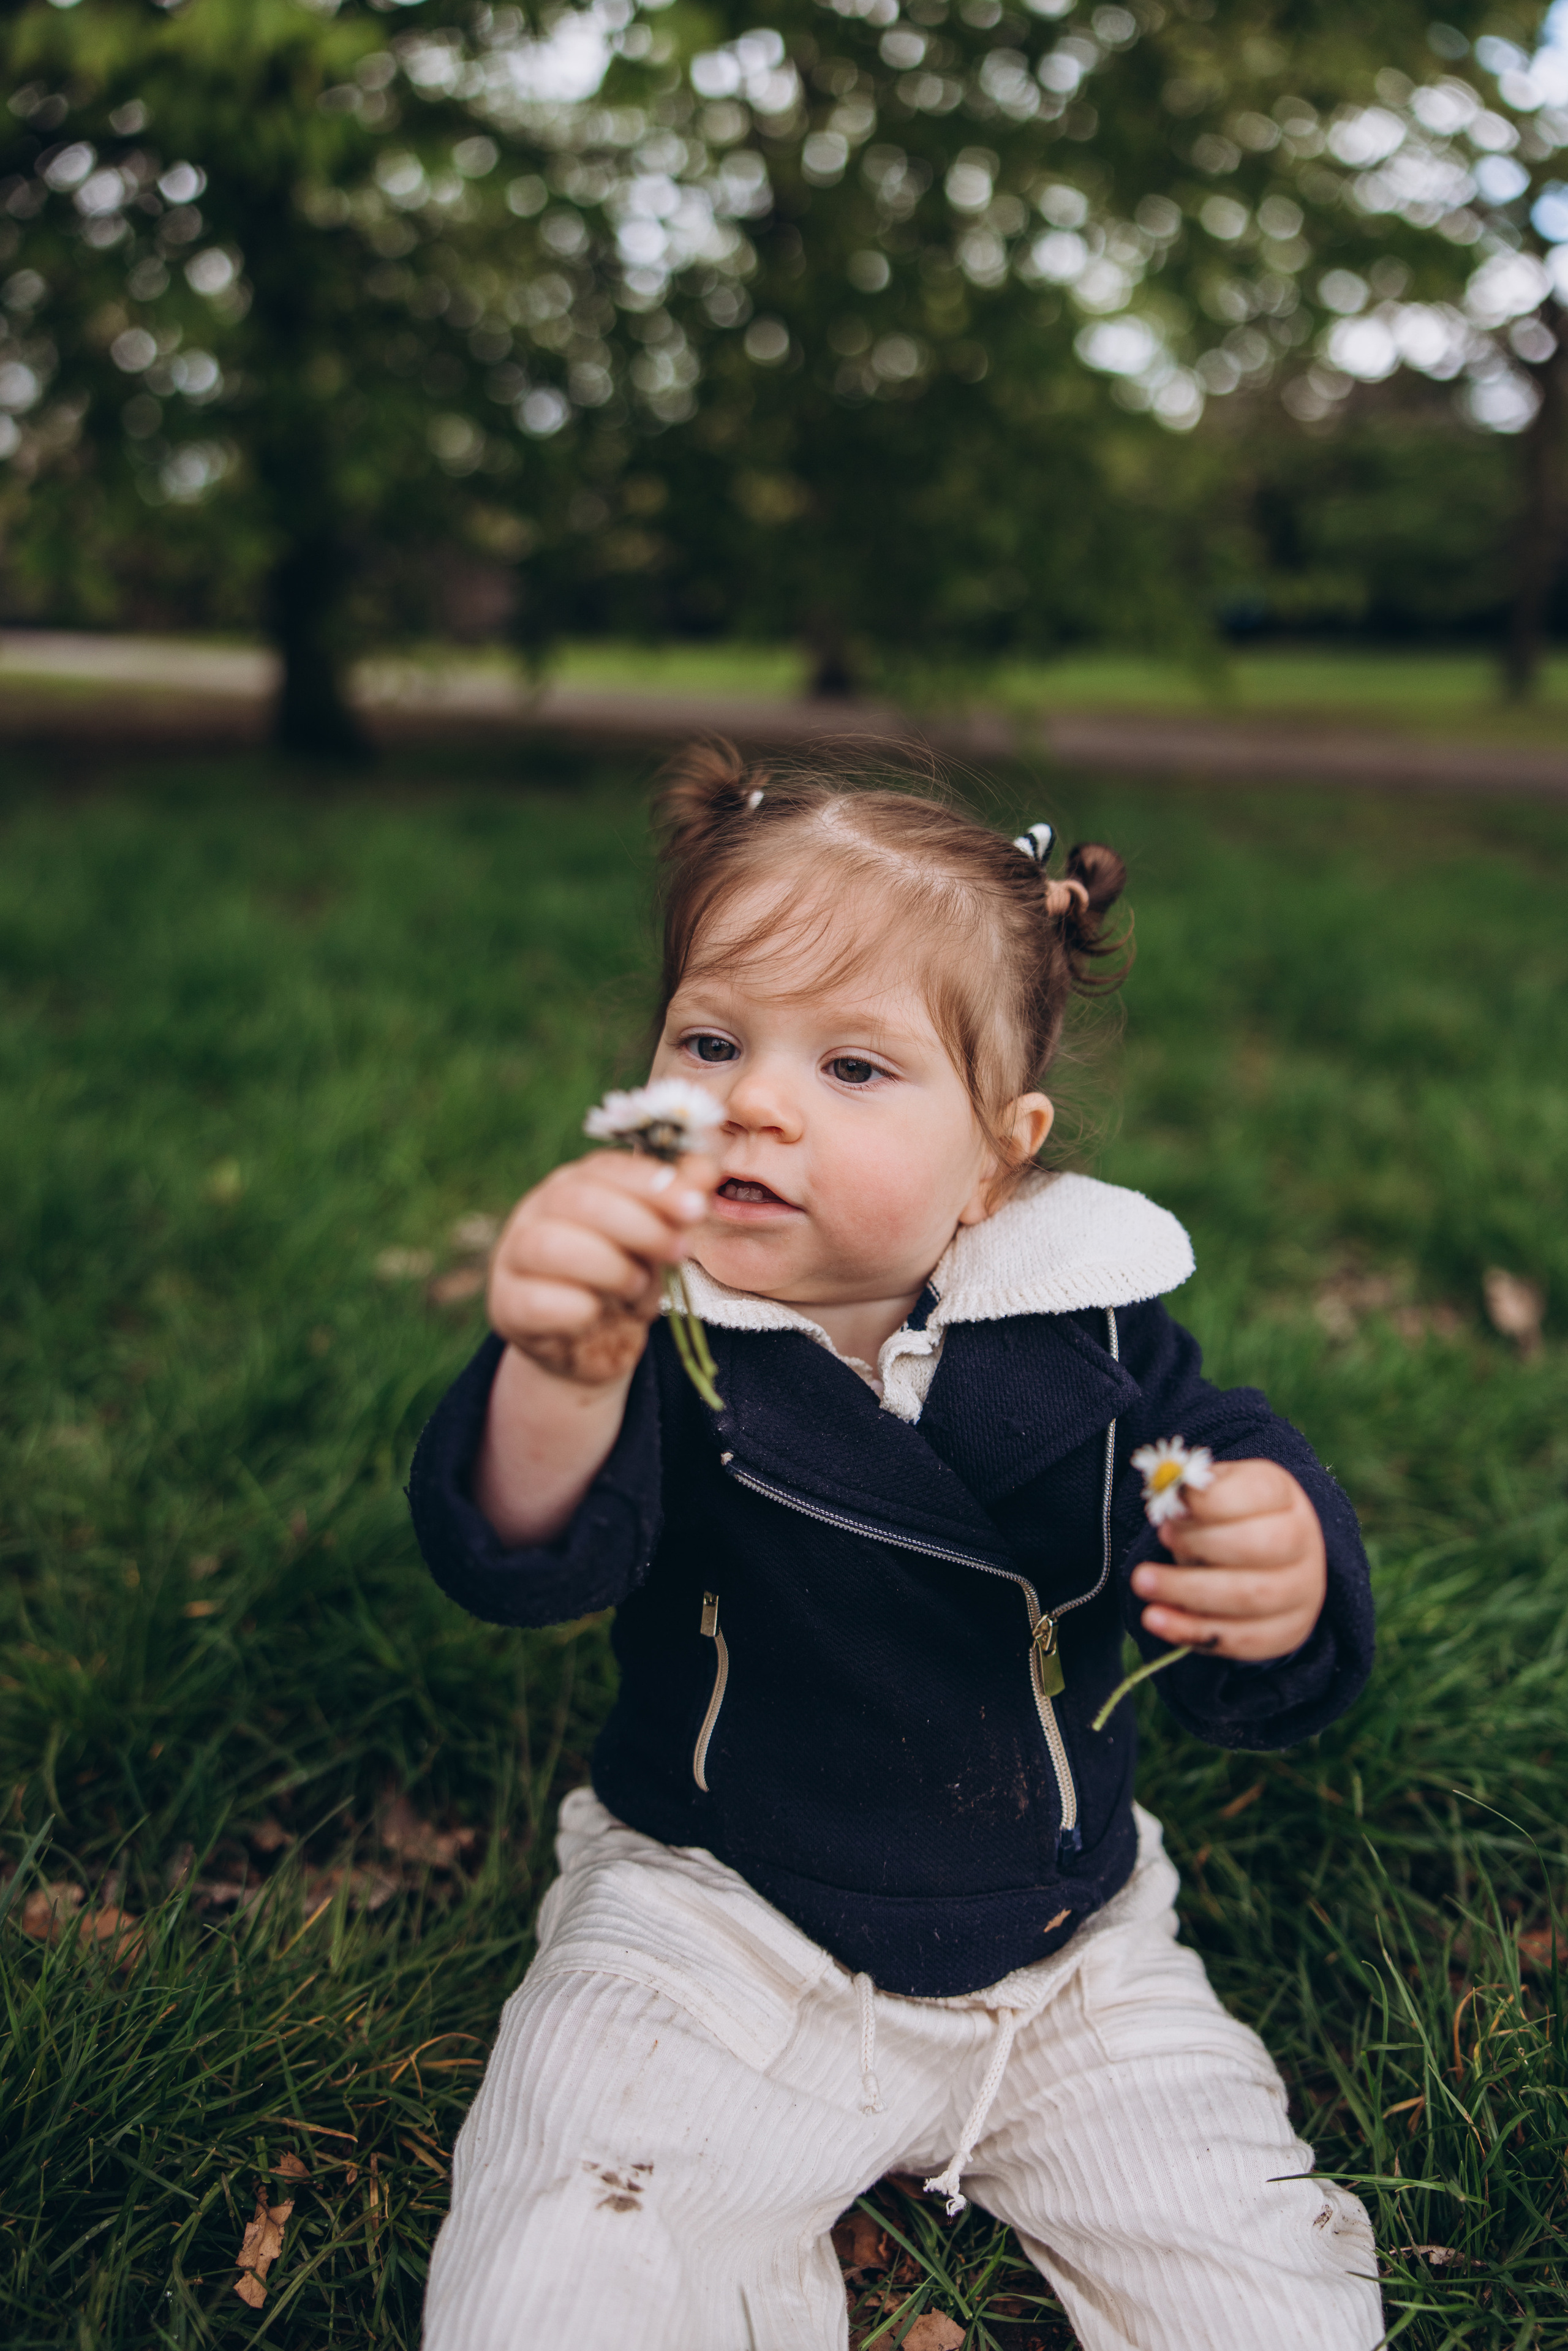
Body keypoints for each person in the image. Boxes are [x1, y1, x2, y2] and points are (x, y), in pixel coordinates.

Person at [408, 744, 1381, 2351]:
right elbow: (529, 1551)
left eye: (855, 1068)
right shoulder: (661, 1334)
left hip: (1066, 1943)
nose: (756, 1101)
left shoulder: (1091, 1323)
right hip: (724, 1912)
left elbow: (1215, 1456)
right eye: (712, 1041)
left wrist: (1279, 1568)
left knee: (1267, 2297)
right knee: (573, 2255)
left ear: (1001, 1150)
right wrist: (556, 1378)